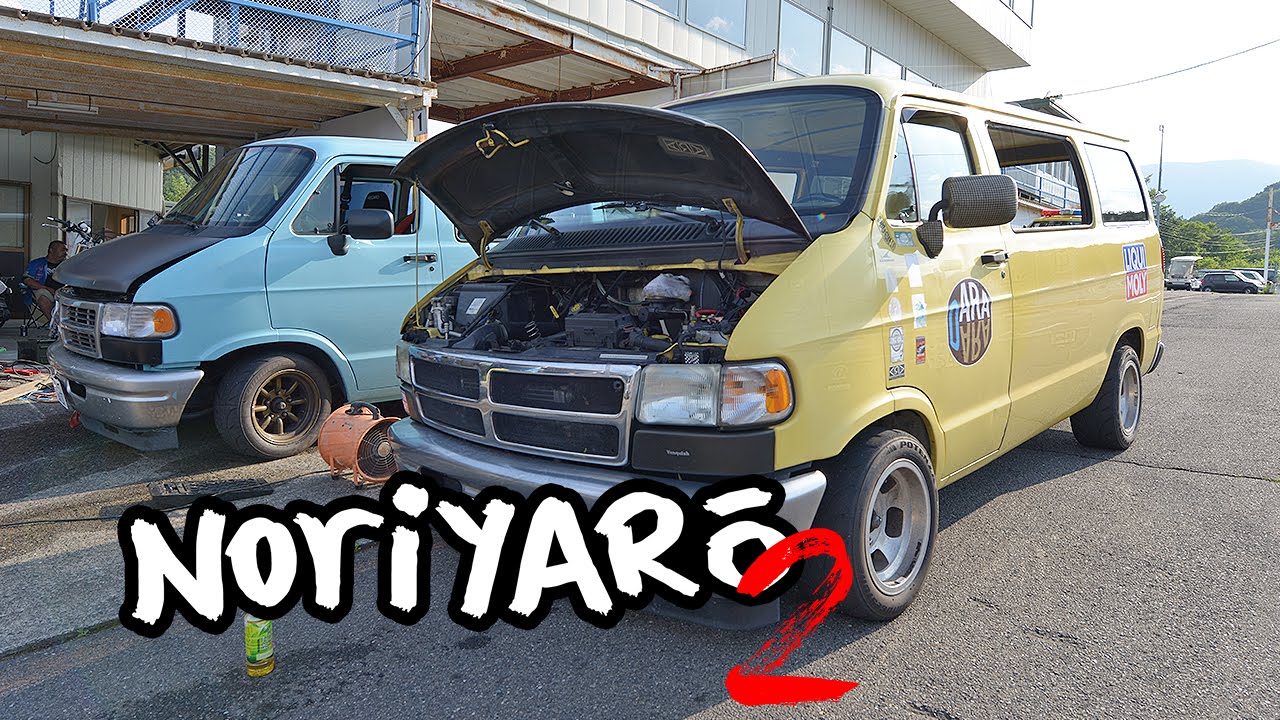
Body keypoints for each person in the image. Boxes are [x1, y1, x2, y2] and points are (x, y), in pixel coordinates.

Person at [22, 240, 67, 322]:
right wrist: (47, 288)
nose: (66, 253)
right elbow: (27, 280)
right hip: (44, 291)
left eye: (66, 250)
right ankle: (55, 324)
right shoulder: (37, 263)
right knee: (43, 296)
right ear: (51, 250)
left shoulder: (66, 265)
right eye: (63, 250)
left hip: (63, 293)